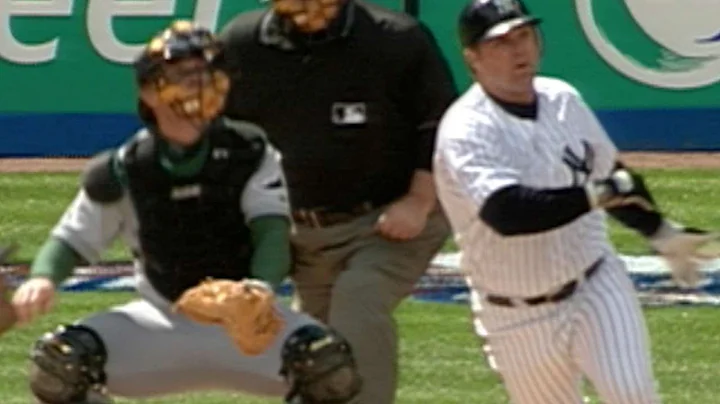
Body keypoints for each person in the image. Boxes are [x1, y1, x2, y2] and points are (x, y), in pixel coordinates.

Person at [10, 21, 361, 404]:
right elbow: (75, 238)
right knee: (59, 365)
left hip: (249, 319)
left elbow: (271, 230)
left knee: (327, 366)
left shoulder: (251, 151)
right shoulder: (127, 166)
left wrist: (257, 291)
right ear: (149, 91)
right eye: (183, 75)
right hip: (161, 319)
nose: (199, 85)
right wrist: (43, 278)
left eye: (206, 73)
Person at [433, 1, 720, 403]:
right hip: (514, 314)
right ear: (473, 59)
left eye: (525, 36)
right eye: (501, 43)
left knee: (631, 393)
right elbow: (508, 212)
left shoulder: (562, 99)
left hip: (595, 284)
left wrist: (661, 232)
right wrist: (594, 194)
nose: (519, 50)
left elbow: (614, 175)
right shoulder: (466, 129)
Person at [216, 1, 458, 402]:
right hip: (305, 231)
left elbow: (441, 124)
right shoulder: (241, 45)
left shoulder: (394, 40)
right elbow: (216, 137)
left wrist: (418, 200)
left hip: (389, 217)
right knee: (315, 348)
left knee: (358, 296)